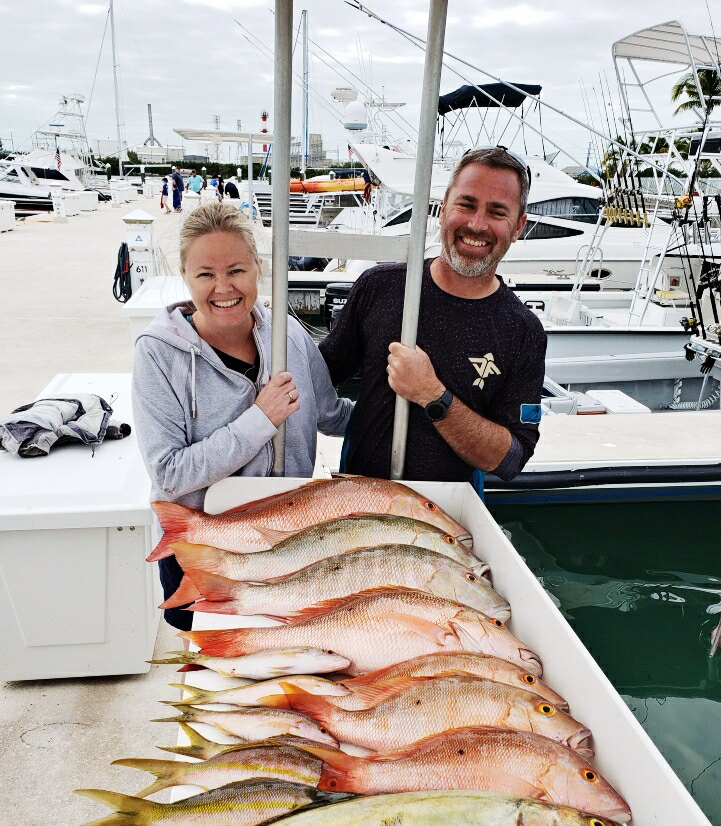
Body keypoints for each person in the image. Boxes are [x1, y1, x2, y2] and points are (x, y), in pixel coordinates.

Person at [132, 202, 353, 630]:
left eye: (236, 270)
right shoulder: (157, 354)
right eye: (205, 274)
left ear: (258, 268)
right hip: (202, 547)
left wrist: (420, 407)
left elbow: (332, 415)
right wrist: (259, 420)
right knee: (208, 667)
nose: (223, 287)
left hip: (285, 543)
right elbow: (169, 472)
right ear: (184, 275)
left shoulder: (289, 334)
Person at [318, 147, 546, 490]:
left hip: (448, 516)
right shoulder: (380, 287)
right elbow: (316, 376)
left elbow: (511, 459)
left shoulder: (523, 332)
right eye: (466, 204)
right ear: (442, 210)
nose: (477, 224)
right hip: (360, 503)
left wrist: (432, 395)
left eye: (497, 212)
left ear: (518, 228)